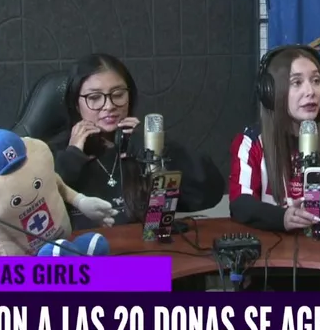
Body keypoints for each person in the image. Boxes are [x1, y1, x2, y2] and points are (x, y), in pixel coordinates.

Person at [50, 54, 225, 230]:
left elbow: (208, 194)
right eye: (94, 97)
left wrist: (158, 149)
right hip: (82, 248)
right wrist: (70, 159)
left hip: (142, 246)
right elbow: (41, 218)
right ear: (76, 103)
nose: (109, 105)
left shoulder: (144, 148)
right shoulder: (51, 154)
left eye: (118, 94)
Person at [229, 45, 320, 232]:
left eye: (316, 80)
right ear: (271, 91)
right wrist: (282, 218)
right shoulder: (251, 143)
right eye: (297, 82)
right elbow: (240, 203)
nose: (310, 91)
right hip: (272, 245)